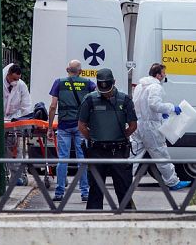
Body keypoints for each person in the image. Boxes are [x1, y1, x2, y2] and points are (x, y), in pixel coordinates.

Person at [78, 68, 137, 210]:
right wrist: (94, 138)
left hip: (118, 150)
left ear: (114, 82)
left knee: (124, 188)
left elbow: (133, 125)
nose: (105, 93)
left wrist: (120, 137)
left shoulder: (125, 100)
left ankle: (129, 218)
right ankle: (94, 219)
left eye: (108, 90)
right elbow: (81, 125)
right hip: (97, 150)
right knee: (95, 190)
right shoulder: (90, 99)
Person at [130, 63, 191, 190]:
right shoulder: (155, 87)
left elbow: (139, 105)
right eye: (163, 73)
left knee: (133, 155)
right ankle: (172, 182)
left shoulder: (140, 86)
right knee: (161, 154)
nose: (165, 75)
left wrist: (159, 113)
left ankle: (123, 180)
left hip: (138, 125)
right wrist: (171, 108)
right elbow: (154, 105)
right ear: (158, 75)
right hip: (150, 127)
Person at [47, 60, 96, 202]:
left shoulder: (59, 83)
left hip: (64, 126)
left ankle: (59, 192)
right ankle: (85, 192)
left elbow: (53, 106)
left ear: (67, 69)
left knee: (63, 159)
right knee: (82, 159)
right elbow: (96, 101)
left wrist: (50, 127)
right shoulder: (88, 83)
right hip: (81, 126)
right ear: (80, 71)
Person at [0, 63, 32, 185]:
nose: (16, 81)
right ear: (8, 74)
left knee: (14, 149)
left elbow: (26, 105)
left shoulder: (21, 85)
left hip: (12, 120)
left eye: (18, 79)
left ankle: (16, 176)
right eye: (14, 78)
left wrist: (27, 124)